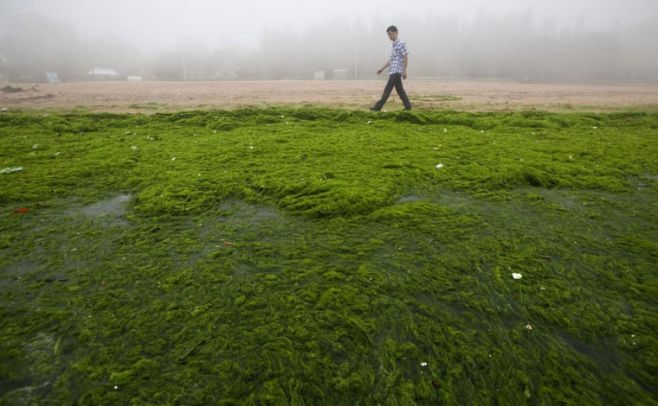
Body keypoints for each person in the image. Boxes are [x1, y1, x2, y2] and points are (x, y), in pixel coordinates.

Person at [371, 25, 412, 111]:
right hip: (392, 71)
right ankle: (408, 106)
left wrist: (404, 70)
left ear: (395, 32)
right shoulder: (394, 45)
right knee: (400, 91)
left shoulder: (401, 43)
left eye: (390, 34)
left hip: (396, 71)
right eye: (388, 35)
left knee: (387, 89)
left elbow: (405, 57)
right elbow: (391, 60)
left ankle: (378, 107)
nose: (389, 36)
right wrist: (382, 69)